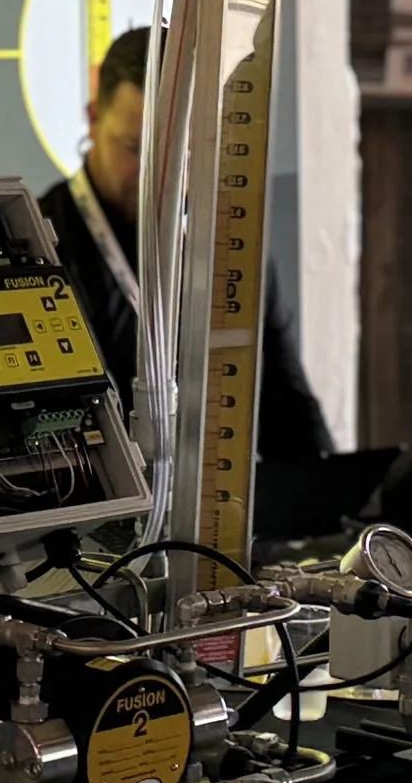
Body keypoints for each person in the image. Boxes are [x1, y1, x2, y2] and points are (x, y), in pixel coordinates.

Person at [39, 27, 333, 465]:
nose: (156, 177)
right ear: (92, 121)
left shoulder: (226, 238)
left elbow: (286, 403)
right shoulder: (43, 242)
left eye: (179, 152)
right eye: (135, 148)